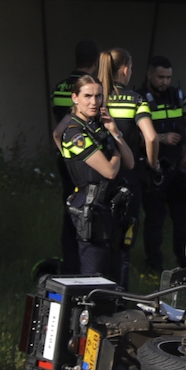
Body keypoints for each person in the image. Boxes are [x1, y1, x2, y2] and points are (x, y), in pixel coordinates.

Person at [56, 74, 136, 283]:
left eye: (99, 96)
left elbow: (130, 163)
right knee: (95, 276)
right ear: (75, 98)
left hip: (109, 205)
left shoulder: (98, 126)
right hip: (91, 207)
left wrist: (115, 132)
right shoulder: (74, 134)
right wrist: (116, 153)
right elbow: (110, 171)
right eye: (88, 96)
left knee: (114, 273)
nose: (94, 102)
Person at [142, 55, 186, 273]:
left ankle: (185, 266)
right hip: (154, 166)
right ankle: (153, 268)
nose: (164, 82)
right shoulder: (140, 99)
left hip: (178, 167)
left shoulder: (177, 96)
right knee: (154, 222)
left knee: (185, 222)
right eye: (160, 77)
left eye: (168, 77)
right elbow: (132, 136)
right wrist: (160, 138)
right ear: (149, 74)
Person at [100, 47, 158, 271]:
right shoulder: (135, 100)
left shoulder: (95, 98)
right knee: (124, 234)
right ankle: (119, 289)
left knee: (99, 235)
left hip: (99, 175)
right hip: (127, 176)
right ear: (125, 70)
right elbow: (151, 138)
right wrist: (153, 165)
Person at [49, 40, 101, 271]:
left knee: (69, 210)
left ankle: (70, 263)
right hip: (87, 156)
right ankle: (85, 265)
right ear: (96, 61)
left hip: (67, 155)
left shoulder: (60, 87)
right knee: (88, 212)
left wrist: (64, 154)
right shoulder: (93, 88)